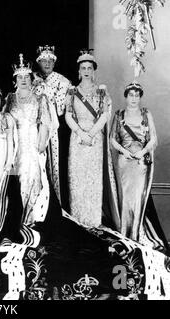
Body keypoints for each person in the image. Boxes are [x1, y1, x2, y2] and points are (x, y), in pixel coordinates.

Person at [110, 81, 169, 251]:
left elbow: (154, 139)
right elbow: (112, 139)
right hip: (124, 162)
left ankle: (135, 234)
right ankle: (123, 233)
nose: (134, 98)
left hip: (140, 162)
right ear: (126, 96)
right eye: (131, 95)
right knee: (124, 198)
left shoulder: (146, 114)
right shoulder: (119, 115)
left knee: (137, 198)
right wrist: (124, 151)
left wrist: (142, 153)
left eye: (137, 95)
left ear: (140, 97)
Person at [65, 50, 119, 229]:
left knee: (93, 180)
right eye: (83, 68)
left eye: (89, 68)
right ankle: (78, 221)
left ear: (94, 70)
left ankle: (94, 222)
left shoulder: (101, 92)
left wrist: (91, 134)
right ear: (79, 71)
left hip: (95, 139)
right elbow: (68, 116)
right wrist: (81, 134)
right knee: (78, 179)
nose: (86, 71)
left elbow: (104, 115)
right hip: (77, 138)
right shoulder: (72, 91)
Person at [6, 54, 51, 225]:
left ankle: (30, 217)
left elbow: (45, 122)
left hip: (32, 141)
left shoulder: (40, 98)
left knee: (32, 175)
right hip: (16, 143)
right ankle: (16, 215)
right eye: (20, 77)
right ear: (15, 80)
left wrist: (41, 143)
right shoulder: (9, 98)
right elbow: (4, 122)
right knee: (16, 176)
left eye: (26, 77)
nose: (23, 80)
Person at [35, 45, 71, 209]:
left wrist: (44, 91)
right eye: (44, 60)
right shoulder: (30, 78)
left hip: (54, 129)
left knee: (54, 166)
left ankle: (56, 205)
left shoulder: (63, 81)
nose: (47, 63)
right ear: (39, 62)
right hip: (33, 128)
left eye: (50, 60)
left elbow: (60, 108)